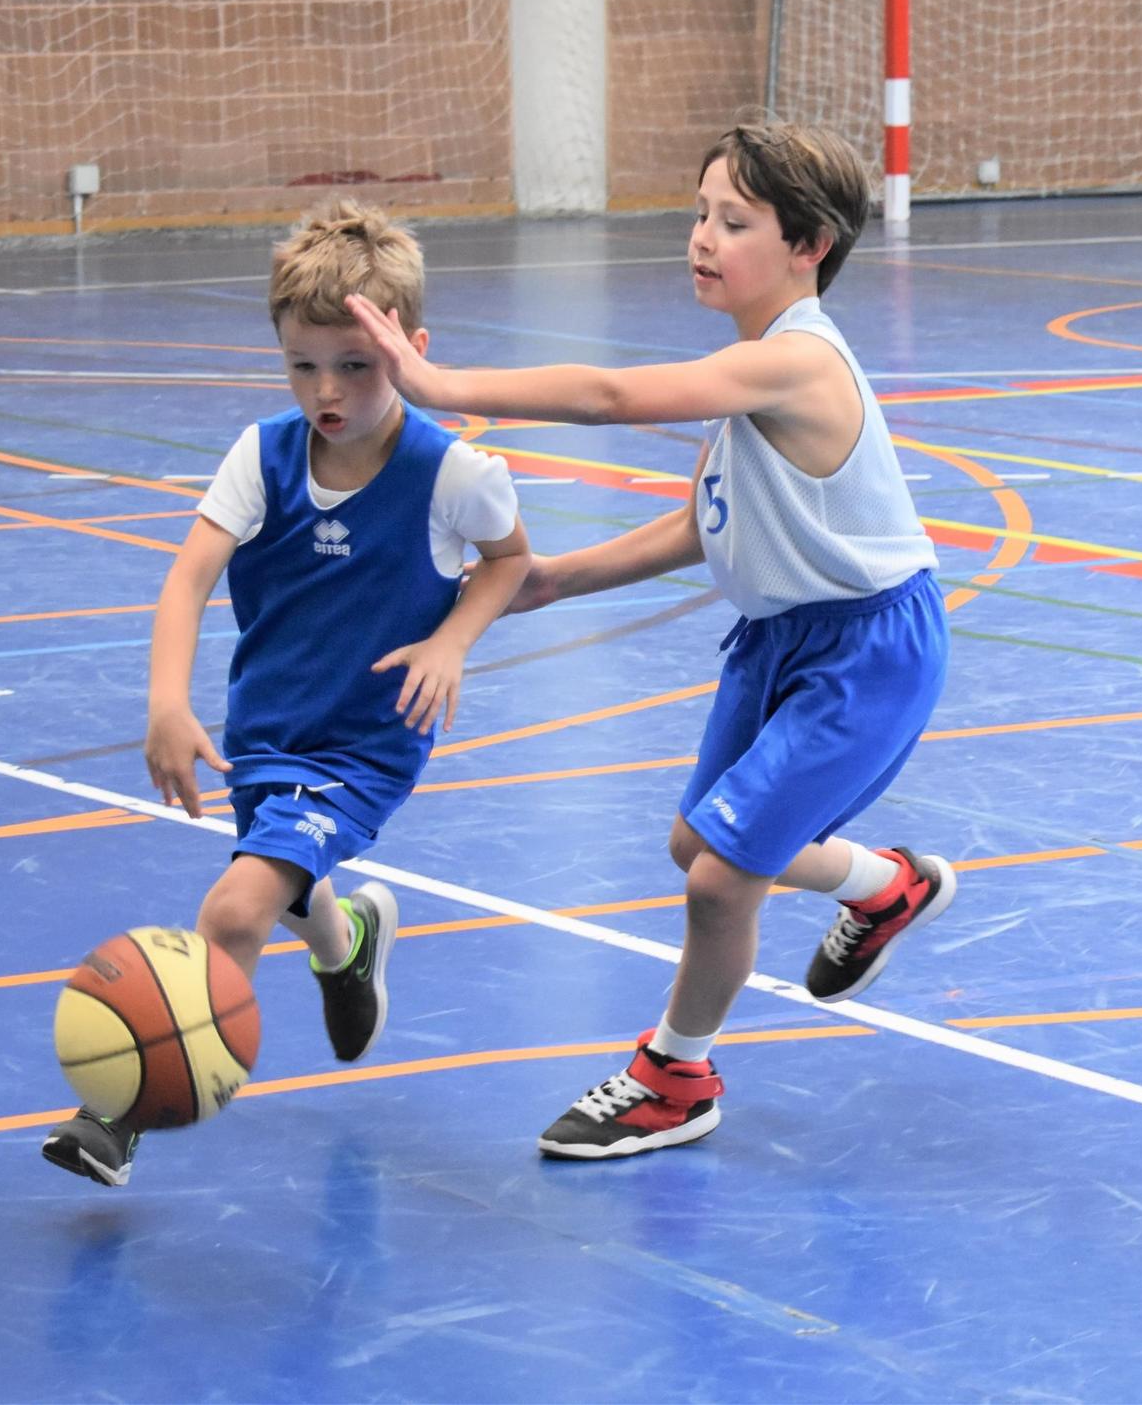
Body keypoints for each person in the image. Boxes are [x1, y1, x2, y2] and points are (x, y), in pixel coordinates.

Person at [346, 119, 954, 1160]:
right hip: (779, 639)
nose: (701, 237)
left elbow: (608, 395)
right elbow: (699, 523)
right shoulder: (755, 371)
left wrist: (441, 388)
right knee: (697, 844)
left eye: (733, 221)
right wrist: (546, 581)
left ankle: (676, 1073)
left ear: (807, 245)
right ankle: (884, 883)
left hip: (865, 651)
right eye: (698, 214)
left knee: (719, 877)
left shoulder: (797, 362)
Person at [44, 199, 531, 1186]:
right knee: (282, 874)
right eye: (303, 365)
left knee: (234, 906)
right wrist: (166, 702)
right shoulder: (261, 455)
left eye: (355, 365)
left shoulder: (453, 475)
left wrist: (450, 639)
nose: (327, 391)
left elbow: (511, 561)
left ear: (411, 348)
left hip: (362, 745)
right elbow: (186, 579)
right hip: (265, 731)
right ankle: (345, 944)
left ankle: (121, 1114)